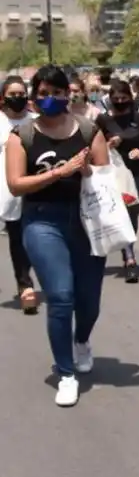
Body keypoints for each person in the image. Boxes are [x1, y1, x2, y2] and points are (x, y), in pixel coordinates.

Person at [4, 65, 110, 407]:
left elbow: (105, 174)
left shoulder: (89, 130)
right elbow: (16, 184)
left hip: (87, 221)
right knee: (61, 296)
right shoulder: (22, 136)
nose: (51, 98)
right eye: (44, 93)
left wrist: (86, 169)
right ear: (35, 97)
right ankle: (66, 373)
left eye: (57, 92)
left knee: (88, 301)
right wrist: (59, 173)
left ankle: (81, 341)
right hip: (42, 222)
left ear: (68, 93)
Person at [97, 80, 139, 284]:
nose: (120, 102)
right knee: (119, 213)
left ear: (130, 98)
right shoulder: (103, 120)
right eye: (116, 99)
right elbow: (94, 146)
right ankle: (130, 258)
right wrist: (109, 144)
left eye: (124, 98)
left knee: (132, 214)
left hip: (136, 173)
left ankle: (127, 248)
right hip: (113, 173)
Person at [0, 76, 39, 314]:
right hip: (8, 190)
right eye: (12, 94)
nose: (17, 98)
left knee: (35, 237)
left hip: (38, 188)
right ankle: (25, 284)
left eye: (21, 93)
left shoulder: (36, 121)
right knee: (17, 238)